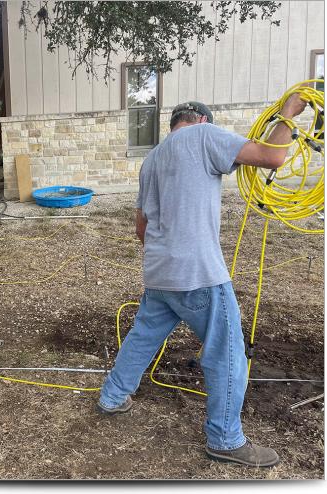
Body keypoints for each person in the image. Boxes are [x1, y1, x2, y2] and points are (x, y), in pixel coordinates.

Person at [97, 95, 307, 467]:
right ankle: (225, 439)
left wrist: (168, 255)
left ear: (174, 123)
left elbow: (141, 227)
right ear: (202, 119)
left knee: (143, 337)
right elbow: (272, 156)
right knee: (226, 351)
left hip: (160, 273)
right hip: (199, 274)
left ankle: (112, 397)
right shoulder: (206, 135)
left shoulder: (153, 158)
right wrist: (288, 114)